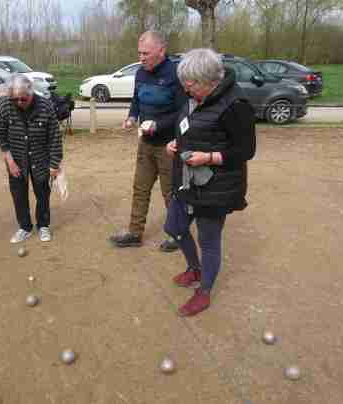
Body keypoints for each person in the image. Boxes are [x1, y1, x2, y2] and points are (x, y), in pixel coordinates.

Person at [165, 48, 256, 316]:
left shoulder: (236, 104)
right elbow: (189, 126)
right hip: (186, 180)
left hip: (217, 187)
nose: (185, 89)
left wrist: (209, 157)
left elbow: (246, 150)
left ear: (209, 81)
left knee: (209, 241)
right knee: (174, 226)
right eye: (184, 84)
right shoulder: (193, 96)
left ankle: (204, 292)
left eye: (190, 84)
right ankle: (194, 269)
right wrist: (175, 143)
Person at [109, 30, 186, 252]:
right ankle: (135, 233)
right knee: (140, 188)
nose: (141, 58)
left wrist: (158, 125)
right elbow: (136, 100)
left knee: (171, 192)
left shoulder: (175, 74)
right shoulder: (141, 73)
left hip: (169, 146)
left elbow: (183, 112)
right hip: (146, 144)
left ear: (161, 51)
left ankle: (177, 234)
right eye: (139, 53)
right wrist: (132, 117)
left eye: (146, 53)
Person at [0, 74, 63, 243]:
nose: (19, 102)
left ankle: (43, 225)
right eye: (15, 99)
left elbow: (55, 137)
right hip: (16, 158)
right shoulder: (4, 106)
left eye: (23, 99)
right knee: (18, 195)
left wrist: (54, 164)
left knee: (43, 194)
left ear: (31, 92)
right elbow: (0, 135)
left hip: (41, 158)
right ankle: (24, 227)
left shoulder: (45, 106)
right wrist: (10, 161)